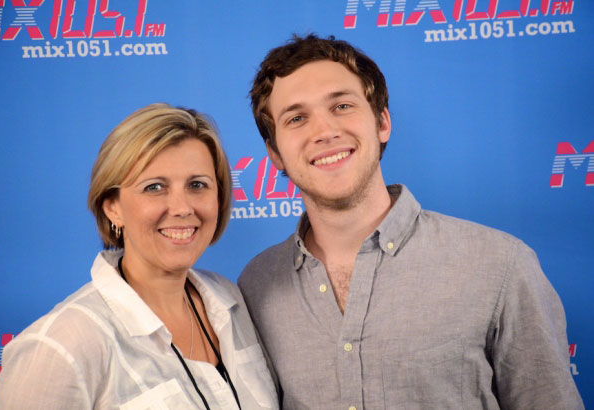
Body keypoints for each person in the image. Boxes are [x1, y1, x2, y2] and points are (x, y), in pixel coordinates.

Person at [238, 35, 584, 410]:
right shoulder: (257, 285)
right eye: (296, 118)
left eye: (342, 106)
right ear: (275, 153)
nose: (324, 131)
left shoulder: (500, 265)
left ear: (382, 122)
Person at [0, 103, 278, 409]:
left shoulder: (230, 300)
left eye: (197, 185)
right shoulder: (62, 345)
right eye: (154, 187)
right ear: (112, 207)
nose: (182, 208)